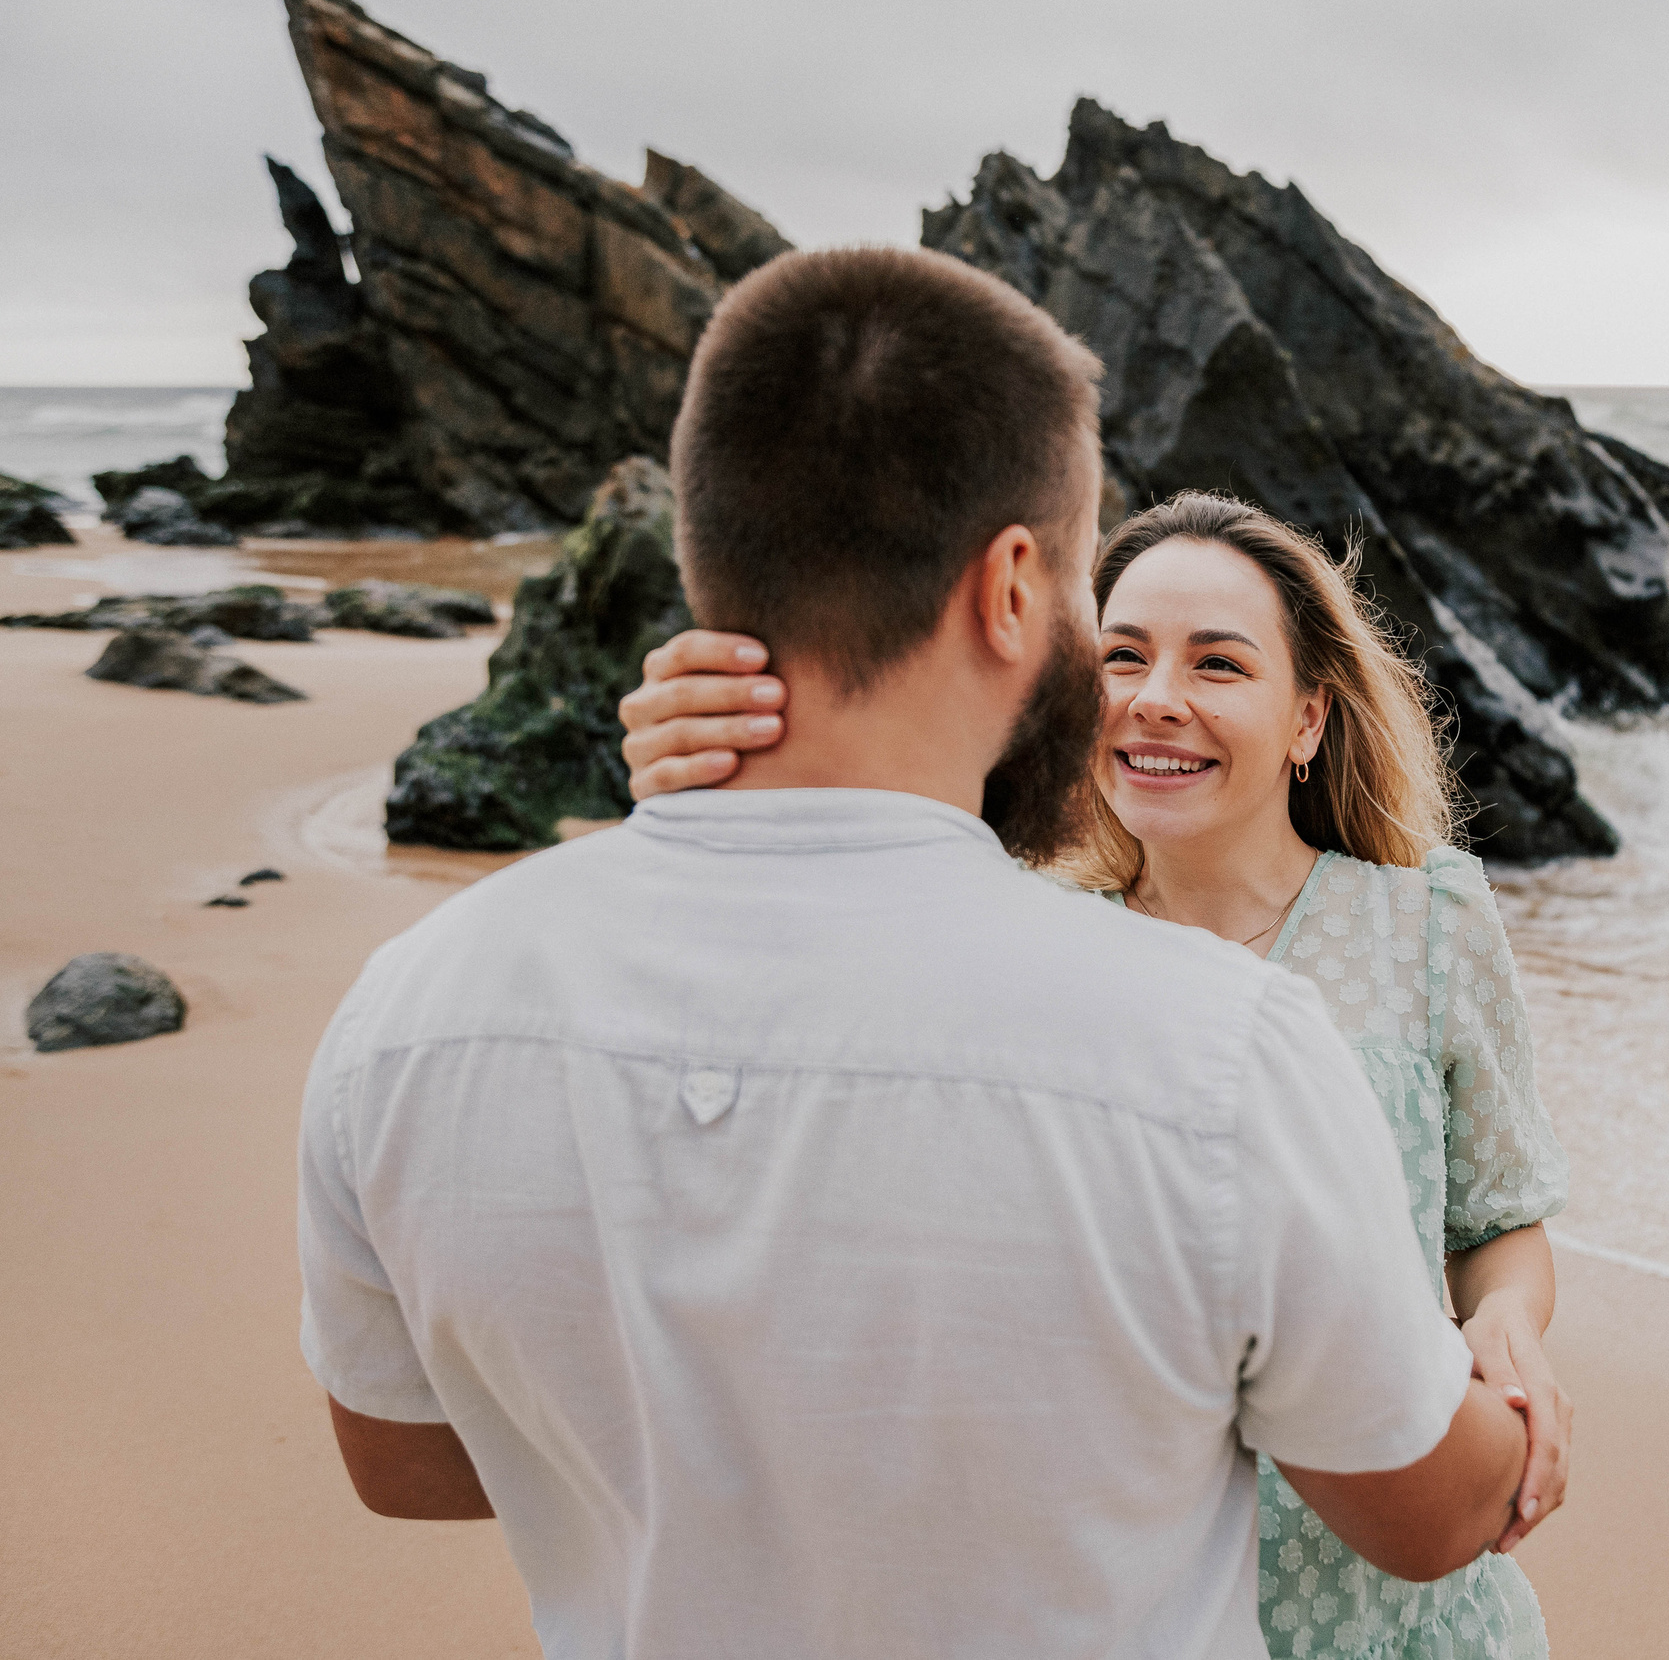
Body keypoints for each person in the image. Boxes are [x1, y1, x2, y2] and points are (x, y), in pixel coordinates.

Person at [298, 246, 1531, 1660]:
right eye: (1088, 596)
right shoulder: (1215, 1050)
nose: (1125, 679)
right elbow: (1429, 1516)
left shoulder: (405, 1013)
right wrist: (1507, 1409)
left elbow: (401, 1458)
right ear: (1014, 585)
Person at [621, 494, 1575, 1659]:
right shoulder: (1021, 936)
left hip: (1386, 1588)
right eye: (1121, 657)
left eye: (1217, 664)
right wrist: (707, 783)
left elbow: (1497, 1219)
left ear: (1308, 719)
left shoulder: (1428, 922)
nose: (1155, 695)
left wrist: (1508, 1330)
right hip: (1118, 1589)